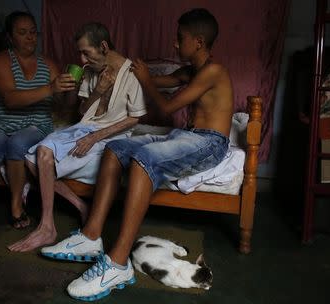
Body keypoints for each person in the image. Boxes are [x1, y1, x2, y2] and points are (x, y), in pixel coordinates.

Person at [40, 8, 234, 301]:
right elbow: (160, 82)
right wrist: (123, 69)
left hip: (210, 143)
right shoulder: (191, 71)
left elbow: (168, 107)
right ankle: (91, 236)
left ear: (198, 41)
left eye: (179, 38)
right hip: (188, 136)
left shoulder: (213, 71)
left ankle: (118, 264)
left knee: (144, 159)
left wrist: (142, 78)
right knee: (116, 148)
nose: (174, 44)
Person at [7, 22, 147, 252]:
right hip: (84, 128)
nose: (82, 60)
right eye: (80, 53)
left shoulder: (131, 74)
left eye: (86, 52)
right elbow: (82, 113)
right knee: (31, 159)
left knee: (41, 154)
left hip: (110, 135)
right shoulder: (91, 71)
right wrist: (98, 91)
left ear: (103, 46)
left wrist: (95, 137)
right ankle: (80, 207)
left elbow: (136, 118)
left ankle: (47, 226)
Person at [0, 11, 76, 229]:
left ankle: (16, 203)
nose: (30, 37)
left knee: (18, 144)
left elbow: (63, 103)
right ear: (10, 37)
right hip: (2, 120)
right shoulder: (1, 60)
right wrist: (50, 87)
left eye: (33, 32)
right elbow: (10, 99)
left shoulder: (47, 64)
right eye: (22, 33)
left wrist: (71, 87)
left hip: (36, 122)